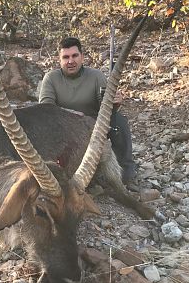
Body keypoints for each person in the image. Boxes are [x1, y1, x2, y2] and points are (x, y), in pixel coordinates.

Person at [39, 37, 136, 184]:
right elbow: (45, 108)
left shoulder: (96, 76)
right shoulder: (51, 78)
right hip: (62, 128)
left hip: (92, 126)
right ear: (59, 59)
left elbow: (106, 107)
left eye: (74, 56)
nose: (70, 61)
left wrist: (115, 101)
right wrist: (70, 115)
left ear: (82, 57)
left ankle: (127, 175)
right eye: (66, 57)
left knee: (120, 122)